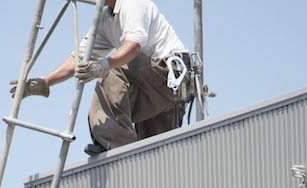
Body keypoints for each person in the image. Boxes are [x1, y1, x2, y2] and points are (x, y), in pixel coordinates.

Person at [13, 0, 193, 156]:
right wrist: (46, 82)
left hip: (170, 74)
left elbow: (134, 46)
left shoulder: (132, 4)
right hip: (151, 83)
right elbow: (80, 58)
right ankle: (125, 150)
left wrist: (104, 65)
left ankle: (116, 144)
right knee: (155, 151)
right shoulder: (105, 19)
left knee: (112, 69)